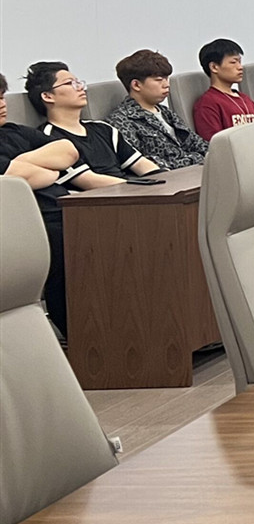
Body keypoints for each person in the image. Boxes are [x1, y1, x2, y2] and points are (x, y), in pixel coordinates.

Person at [9, 62, 160, 334]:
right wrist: (142, 189)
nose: (81, 88)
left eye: (80, 81)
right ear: (48, 96)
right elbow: (87, 181)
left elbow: (143, 166)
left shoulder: (102, 129)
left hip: (131, 196)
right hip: (92, 208)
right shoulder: (47, 135)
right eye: (70, 83)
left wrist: (161, 182)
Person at [105, 50, 206, 169]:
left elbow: (200, 145)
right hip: (167, 177)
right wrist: (194, 159)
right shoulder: (121, 120)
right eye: (159, 80)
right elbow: (143, 163)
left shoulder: (166, 112)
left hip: (194, 171)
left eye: (166, 78)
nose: (166, 84)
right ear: (136, 85)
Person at [191, 39, 254, 140]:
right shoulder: (207, 104)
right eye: (233, 62)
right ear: (214, 67)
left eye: (239, 62)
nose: (240, 67)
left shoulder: (245, 99)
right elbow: (214, 143)